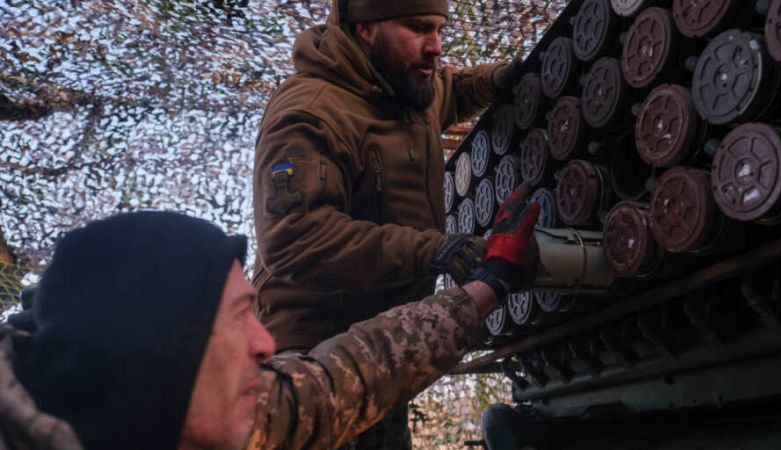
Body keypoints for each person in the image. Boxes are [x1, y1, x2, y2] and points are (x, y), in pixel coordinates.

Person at [0, 186, 539, 450]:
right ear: (159, 347)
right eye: (240, 316)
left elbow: (342, 378)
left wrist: (486, 287)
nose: (264, 344)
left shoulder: (195, 406)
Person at [253, 0, 519, 446]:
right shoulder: (311, 113)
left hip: (384, 347)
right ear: (365, 28)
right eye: (418, 28)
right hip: (314, 359)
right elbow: (295, 239)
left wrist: (500, 79)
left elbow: (450, 90)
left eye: (439, 29)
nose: (435, 46)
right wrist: (432, 250)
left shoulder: (403, 81)